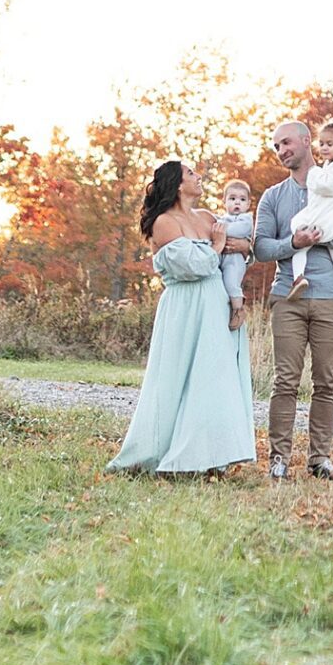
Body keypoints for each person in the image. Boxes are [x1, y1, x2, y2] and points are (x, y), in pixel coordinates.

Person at [108, 159, 256, 476]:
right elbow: (194, 267)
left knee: (215, 379)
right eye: (191, 173)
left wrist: (243, 246)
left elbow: (242, 251)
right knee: (176, 379)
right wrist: (218, 246)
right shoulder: (164, 222)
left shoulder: (207, 217)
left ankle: (212, 457)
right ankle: (168, 454)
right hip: (185, 308)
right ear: (177, 184)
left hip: (216, 304)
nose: (198, 176)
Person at [253, 118, 333, 482]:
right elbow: (261, 247)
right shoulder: (273, 197)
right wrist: (294, 243)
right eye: (276, 146)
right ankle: (279, 459)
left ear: (307, 142)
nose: (281, 151)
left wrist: (320, 236)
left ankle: (320, 459)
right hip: (287, 296)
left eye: (286, 142)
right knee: (285, 381)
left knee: (327, 383)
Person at [287, 120, 333, 313]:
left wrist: (313, 174)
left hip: (327, 220)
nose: (324, 148)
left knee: (300, 240)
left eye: (330, 144)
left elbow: (328, 187)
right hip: (332, 220)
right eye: (321, 144)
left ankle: (298, 277)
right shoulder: (331, 165)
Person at [217, 177, 256, 330]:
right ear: (224, 201)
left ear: (248, 204)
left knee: (232, 284)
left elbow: (237, 231)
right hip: (222, 259)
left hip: (235, 261)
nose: (237, 202)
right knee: (222, 286)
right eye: (232, 199)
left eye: (242, 199)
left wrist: (219, 230)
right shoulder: (221, 218)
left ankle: (238, 310)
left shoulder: (246, 219)